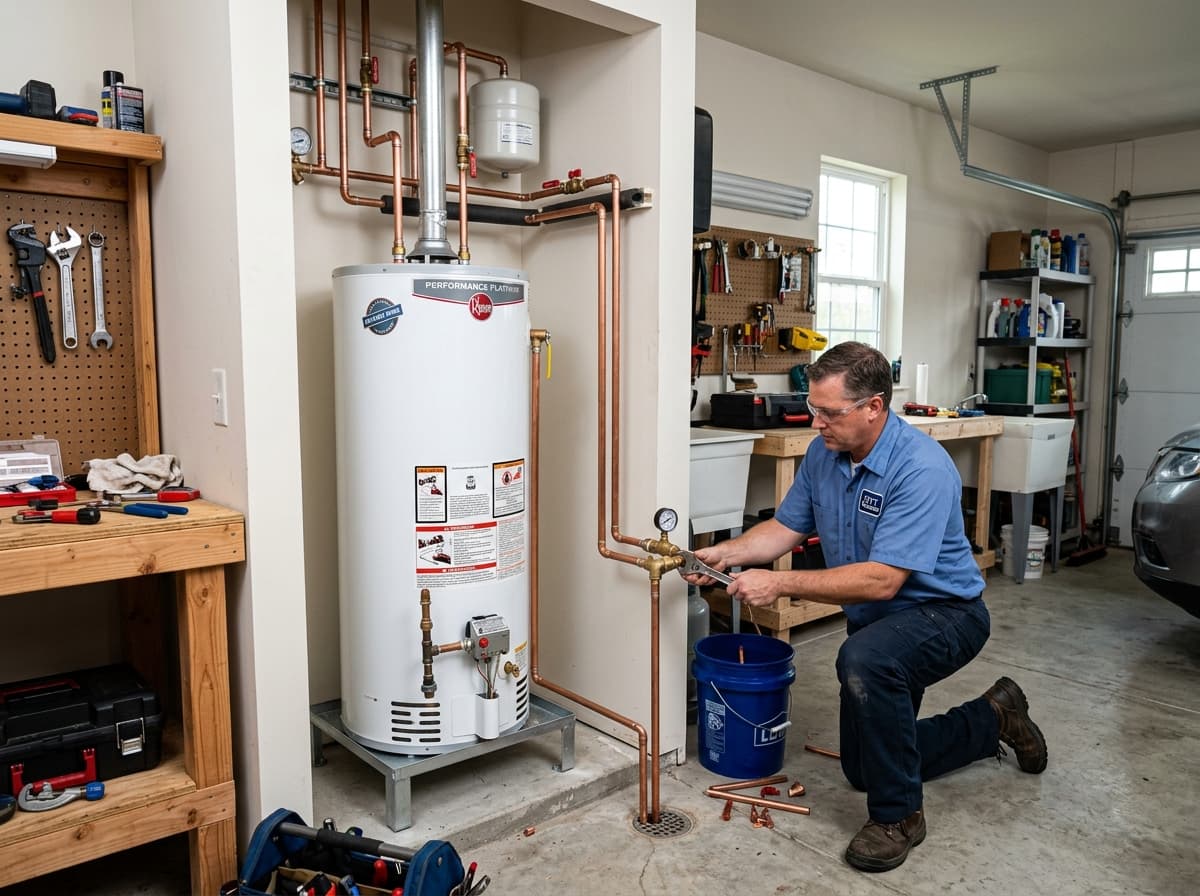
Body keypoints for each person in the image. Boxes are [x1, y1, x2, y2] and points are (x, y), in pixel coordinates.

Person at [687, 341, 1047, 872]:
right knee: (863, 767)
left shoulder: (921, 468)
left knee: (865, 660)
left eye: (829, 413)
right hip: (883, 622)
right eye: (813, 409)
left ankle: (900, 817)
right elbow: (785, 529)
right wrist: (722, 552)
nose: (816, 424)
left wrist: (781, 587)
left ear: (875, 407)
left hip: (945, 614)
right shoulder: (823, 455)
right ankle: (993, 717)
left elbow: (881, 580)